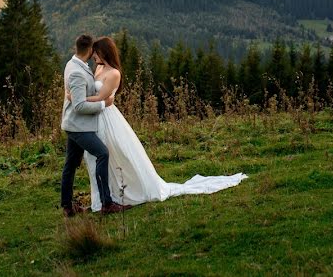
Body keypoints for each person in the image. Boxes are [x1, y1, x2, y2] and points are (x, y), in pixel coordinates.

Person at [74, 36, 247, 211]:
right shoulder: (99, 68)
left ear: (104, 52)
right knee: (97, 157)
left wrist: (78, 99)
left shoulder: (114, 73)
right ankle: (103, 198)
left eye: (96, 52)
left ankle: (122, 193)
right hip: (95, 116)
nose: (93, 55)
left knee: (117, 153)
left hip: (107, 117)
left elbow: (102, 98)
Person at [59, 34, 131, 216]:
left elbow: (79, 95)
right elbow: (80, 105)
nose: (94, 56)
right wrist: (103, 103)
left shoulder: (73, 64)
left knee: (71, 163)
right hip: (79, 125)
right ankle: (106, 203)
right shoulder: (77, 70)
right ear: (90, 50)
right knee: (102, 153)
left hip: (79, 123)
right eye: (94, 52)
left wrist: (75, 97)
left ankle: (68, 206)